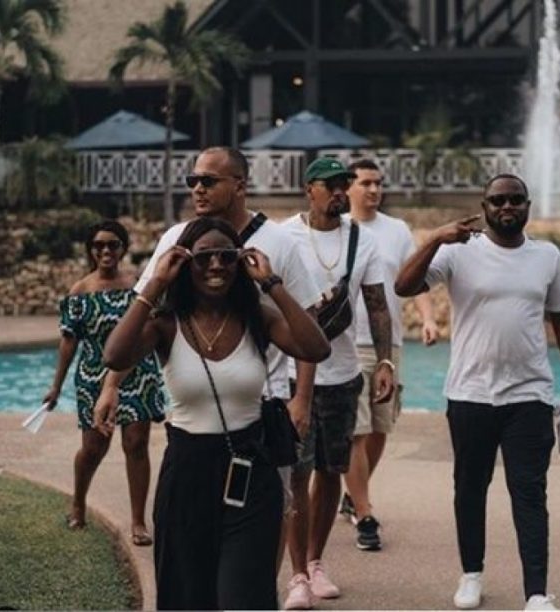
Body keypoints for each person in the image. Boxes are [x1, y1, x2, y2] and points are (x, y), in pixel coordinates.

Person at [100, 217, 330, 610]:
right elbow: (115, 355)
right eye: (204, 257)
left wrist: (272, 284)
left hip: (251, 471)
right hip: (187, 473)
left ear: (240, 261)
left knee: (243, 598)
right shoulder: (166, 324)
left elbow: (316, 348)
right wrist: (154, 285)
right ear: (184, 262)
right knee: (190, 598)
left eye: (226, 256)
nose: (216, 265)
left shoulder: (258, 317)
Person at [395, 174, 560, 611]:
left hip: (529, 395)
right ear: (484, 207)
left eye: (515, 199)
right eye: (498, 200)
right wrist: (435, 238)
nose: (507, 207)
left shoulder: (546, 256)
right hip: (470, 392)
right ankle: (471, 574)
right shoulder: (458, 252)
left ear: (528, 206)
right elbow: (403, 286)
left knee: (529, 492)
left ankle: (536, 593)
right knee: (469, 488)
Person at [127, 146, 321, 569]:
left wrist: (302, 398)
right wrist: (111, 386)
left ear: (239, 185)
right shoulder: (176, 239)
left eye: (208, 181)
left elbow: (307, 321)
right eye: (192, 181)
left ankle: (262, 589)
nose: (197, 188)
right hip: (198, 404)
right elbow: (141, 315)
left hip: (265, 402)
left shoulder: (279, 242)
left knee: (271, 509)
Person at [282, 157, 395, 610]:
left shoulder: (361, 240)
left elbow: (377, 305)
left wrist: (384, 361)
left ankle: (315, 561)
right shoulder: (284, 236)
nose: (338, 193)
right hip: (291, 375)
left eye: (342, 185)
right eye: (329, 185)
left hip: (343, 374)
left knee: (330, 472)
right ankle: (296, 576)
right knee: (297, 474)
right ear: (309, 188)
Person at [43, 220, 165, 544]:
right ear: (90, 250)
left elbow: (153, 328)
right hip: (93, 377)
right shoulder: (80, 291)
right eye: (98, 245)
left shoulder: (138, 285)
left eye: (113, 244)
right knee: (93, 447)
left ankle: (138, 521)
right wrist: (56, 386)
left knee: (136, 443)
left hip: (138, 372)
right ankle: (78, 502)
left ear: (123, 249)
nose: (106, 250)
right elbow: (68, 342)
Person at [340, 158, 439, 551]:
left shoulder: (396, 230)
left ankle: (354, 494)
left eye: (378, 183)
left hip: (388, 344)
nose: (374, 190)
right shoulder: (339, 229)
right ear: (348, 187)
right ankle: (364, 514)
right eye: (366, 183)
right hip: (348, 344)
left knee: (380, 429)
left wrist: (427, 319)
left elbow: (415, 279)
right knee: (356, 431)